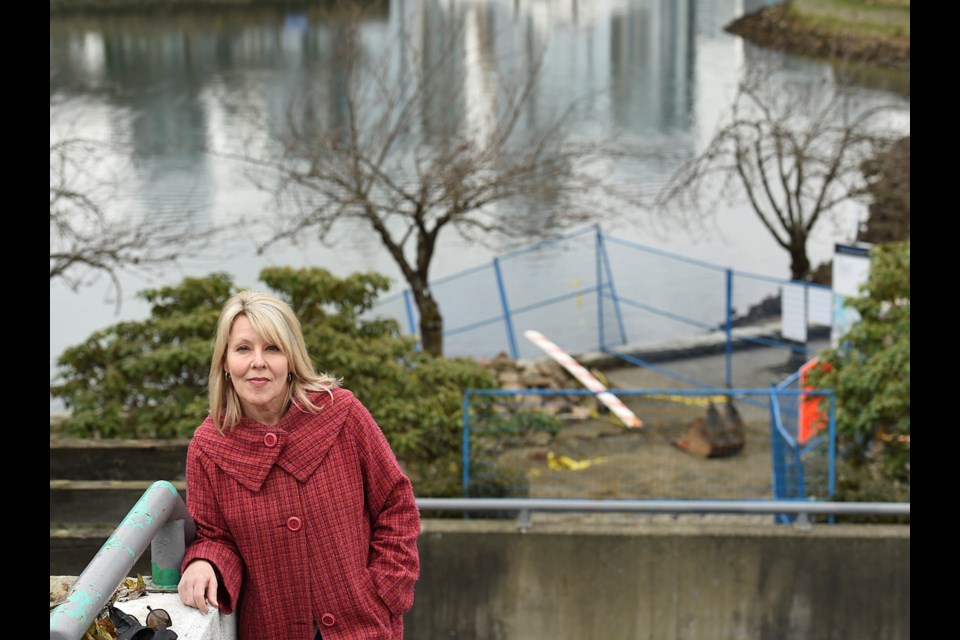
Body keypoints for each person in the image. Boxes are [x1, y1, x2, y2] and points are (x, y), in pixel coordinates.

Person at [177, 290, 421, 640]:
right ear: (225, 364)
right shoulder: (208, 447)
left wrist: (386, 590)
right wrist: (204, 562)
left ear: (291, 359)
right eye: (243, 349)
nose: (257, 362)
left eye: (272, 348)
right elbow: (214, 536)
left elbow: (395, 504)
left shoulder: (343, 414)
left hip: (364, 626)